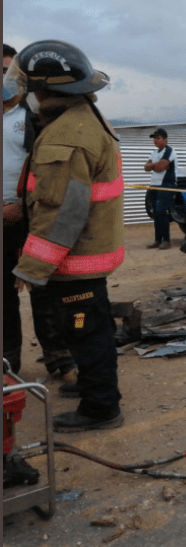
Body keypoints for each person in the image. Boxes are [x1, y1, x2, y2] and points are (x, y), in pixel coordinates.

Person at [5, 40, 124, 432]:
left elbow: (62, 215)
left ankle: (101, 408)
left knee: (86, 333)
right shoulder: (80, 115)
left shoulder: (67, 135)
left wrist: (31, 269)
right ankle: (95, 387)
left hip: (76, 260)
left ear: (46, 88)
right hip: (87, 253)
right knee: (92, 328)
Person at [4, 44, 78, 381]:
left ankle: (59, 358)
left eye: (8, 73)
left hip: (31, 219)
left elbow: (48, 169)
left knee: (42, 287)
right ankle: (8, 364)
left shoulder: (35, 117)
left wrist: (19, 206)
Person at [143, 127, 177, 250]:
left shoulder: (170, 151)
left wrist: (153, 165)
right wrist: (154, 165)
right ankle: (158, 240)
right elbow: (146, 167)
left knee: (162, 212)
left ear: (165, 139)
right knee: (156, 213)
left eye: (158, 138)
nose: (155, 141)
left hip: (166, 185)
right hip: (154, 186)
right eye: (154, 139)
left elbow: (160, 167)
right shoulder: (154, 152)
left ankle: (166, 240)